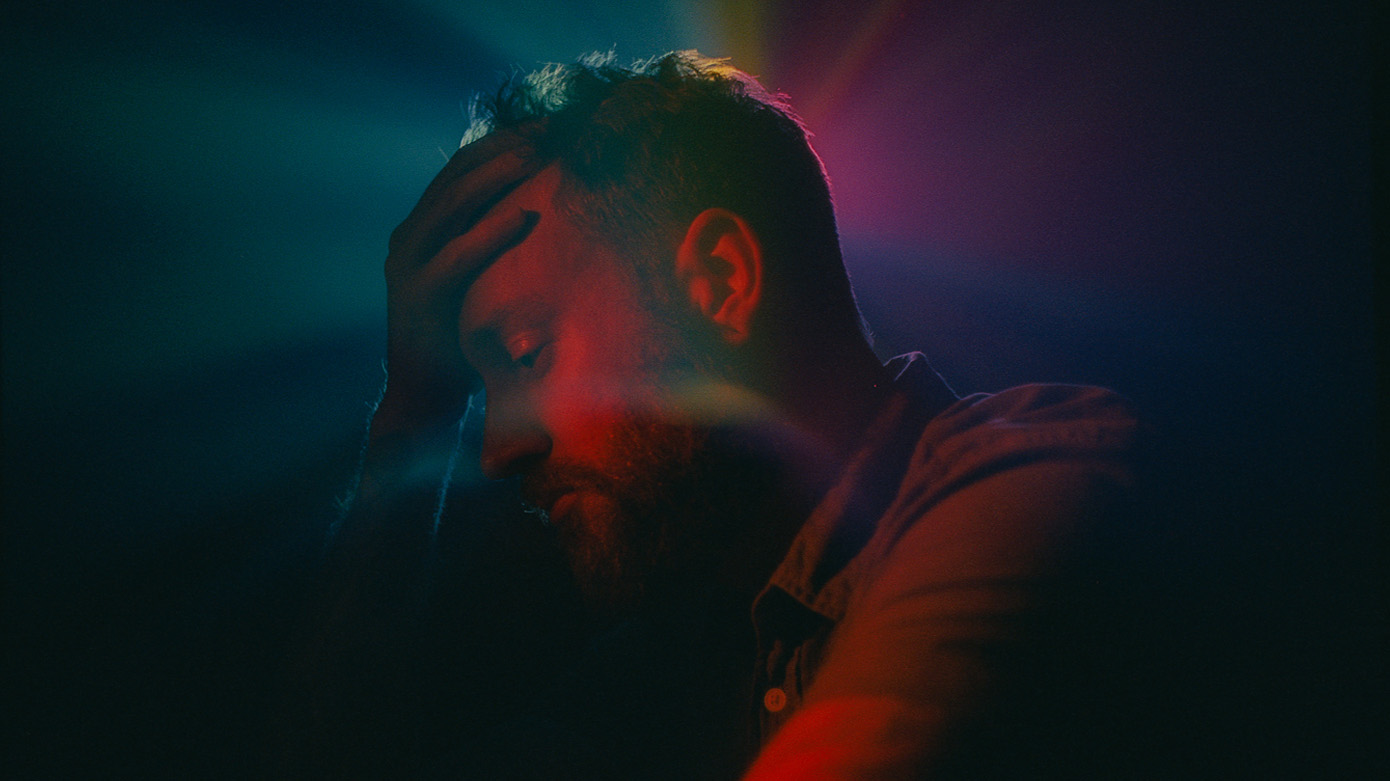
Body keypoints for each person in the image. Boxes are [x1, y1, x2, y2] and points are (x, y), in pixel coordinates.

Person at [292, 51, 1162, 778]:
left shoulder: (1035, 475)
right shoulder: (663, 673)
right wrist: (408, 423)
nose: (497, 451)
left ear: (718, 282)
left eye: (526, 355)